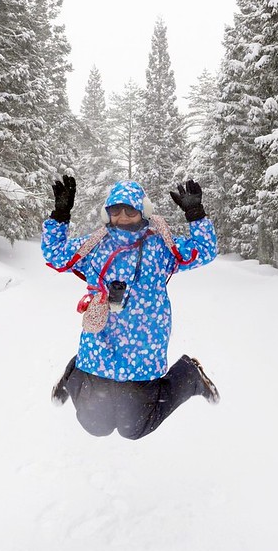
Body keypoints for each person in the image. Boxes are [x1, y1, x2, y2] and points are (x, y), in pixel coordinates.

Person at [41, 175, 219, 440]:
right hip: (100, 347)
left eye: (130, 210)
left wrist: (195, 213)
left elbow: (205, 250)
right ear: (107, 213)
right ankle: (73, 372)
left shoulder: (161, 245)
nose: (122, 217)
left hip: (143, 352)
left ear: (143, 212)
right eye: (115, 210)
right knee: (95, 425)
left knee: (133, 429)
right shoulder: (94, 246)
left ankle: (189, 375)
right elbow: (54, 255)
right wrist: (61, 213)